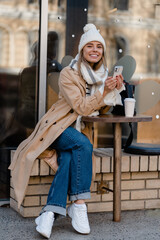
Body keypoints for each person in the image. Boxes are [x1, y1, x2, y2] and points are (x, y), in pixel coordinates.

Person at [9, 23, 124, 239]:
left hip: (78, 131)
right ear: (82, 50)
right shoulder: (68, 74)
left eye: (99, 47)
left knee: (71, 157)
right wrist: (104, 92)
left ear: (102, 52)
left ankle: (50, 212)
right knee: (83, 145)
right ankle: (79, 205)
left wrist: (113, 91)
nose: (95, 50)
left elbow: (102, 108)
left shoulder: (102, 75)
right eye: (90, 46)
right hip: (58, 127)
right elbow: (81, 106)